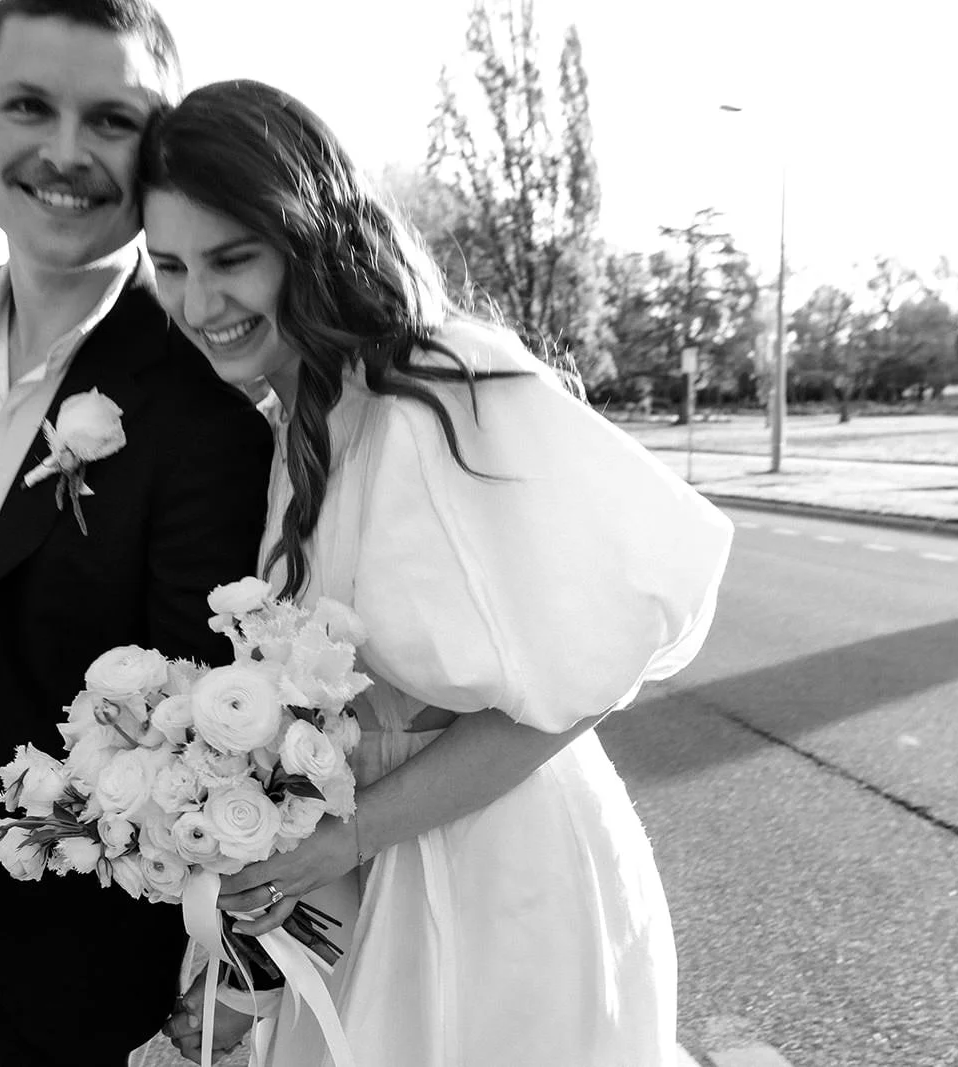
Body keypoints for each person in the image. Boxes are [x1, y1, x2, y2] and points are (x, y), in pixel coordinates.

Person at [142, 80, 734, 1066]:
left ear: (306, 237)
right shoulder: (295, 423)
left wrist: (348, 836)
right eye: (170, 266)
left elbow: (583, 684)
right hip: (367, 879)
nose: (199, 303)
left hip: (502, 884)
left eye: (232, 259)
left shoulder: (436, 388)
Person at [0, 5, 273, 1064]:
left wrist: (216, 957)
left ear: (155, 151)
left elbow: (198, 709)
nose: (65, 153)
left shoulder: (204, 400)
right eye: (29, 106)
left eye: (110, 119)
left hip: (68, 904)